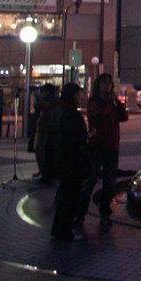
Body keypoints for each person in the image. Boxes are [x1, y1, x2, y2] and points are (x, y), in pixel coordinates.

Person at [77, 73, 128, 229]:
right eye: (104, 83)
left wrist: (117, 103)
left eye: (109, 83)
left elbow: (124, 117)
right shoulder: (94, 102)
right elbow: (99, 113)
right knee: (90, 182)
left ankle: (105, 214)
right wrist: (109, 101)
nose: (107, 85)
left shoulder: (112, 102)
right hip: (96, 147)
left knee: (109, 183)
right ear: (98, 85)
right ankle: (79, 215)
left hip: (112, 147)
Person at [51, 83, 88, 242]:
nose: (81, 96)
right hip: (70, 160)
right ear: (73, 95)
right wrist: (86, 137)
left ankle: (59, 229)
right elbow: (75, 137)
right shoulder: (70, 113)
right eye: (80, 93)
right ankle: (64, 232)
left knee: (65, 195)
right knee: (70, 196)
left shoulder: (61, 111)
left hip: (63, 159)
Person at [33, 83, 61, 184]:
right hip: (42, 130)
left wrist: (38, 97)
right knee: (39, 151)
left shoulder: (54, 101)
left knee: (45, 153)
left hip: (49, 131)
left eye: (43, 91)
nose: (42, 93)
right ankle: (44, 172)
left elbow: (44, 106)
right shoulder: (49, 101)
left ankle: (47, 175)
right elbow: (37, 107)